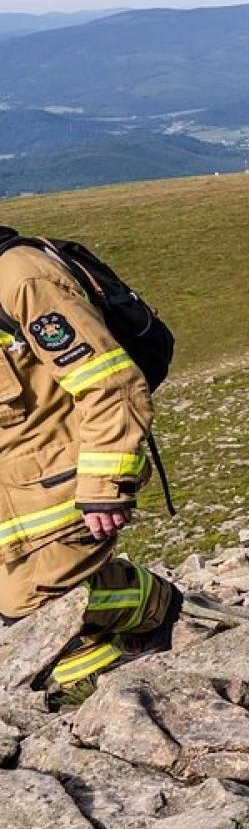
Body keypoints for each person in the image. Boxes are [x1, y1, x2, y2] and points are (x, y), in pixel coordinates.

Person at [0, 235, 181, 687]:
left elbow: (111, 384)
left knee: (25, 606)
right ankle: (85, 677)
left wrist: (105, 487)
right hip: (13, 489)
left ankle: (152, 607)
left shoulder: (22, 278)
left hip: (63, 482)